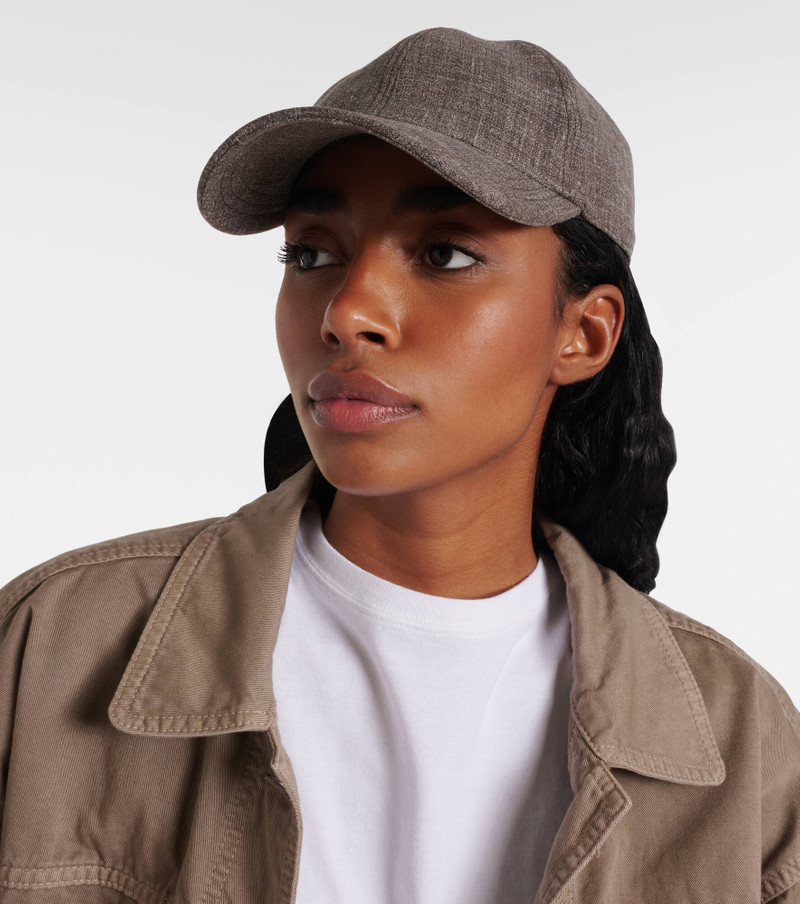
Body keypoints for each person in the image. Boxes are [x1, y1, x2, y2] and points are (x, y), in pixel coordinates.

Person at [1, 26, 798, 904]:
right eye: (311, 253)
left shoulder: (743, 747)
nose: (346, 311)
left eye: (445, 254)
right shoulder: (50, 649)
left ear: (584, 332)